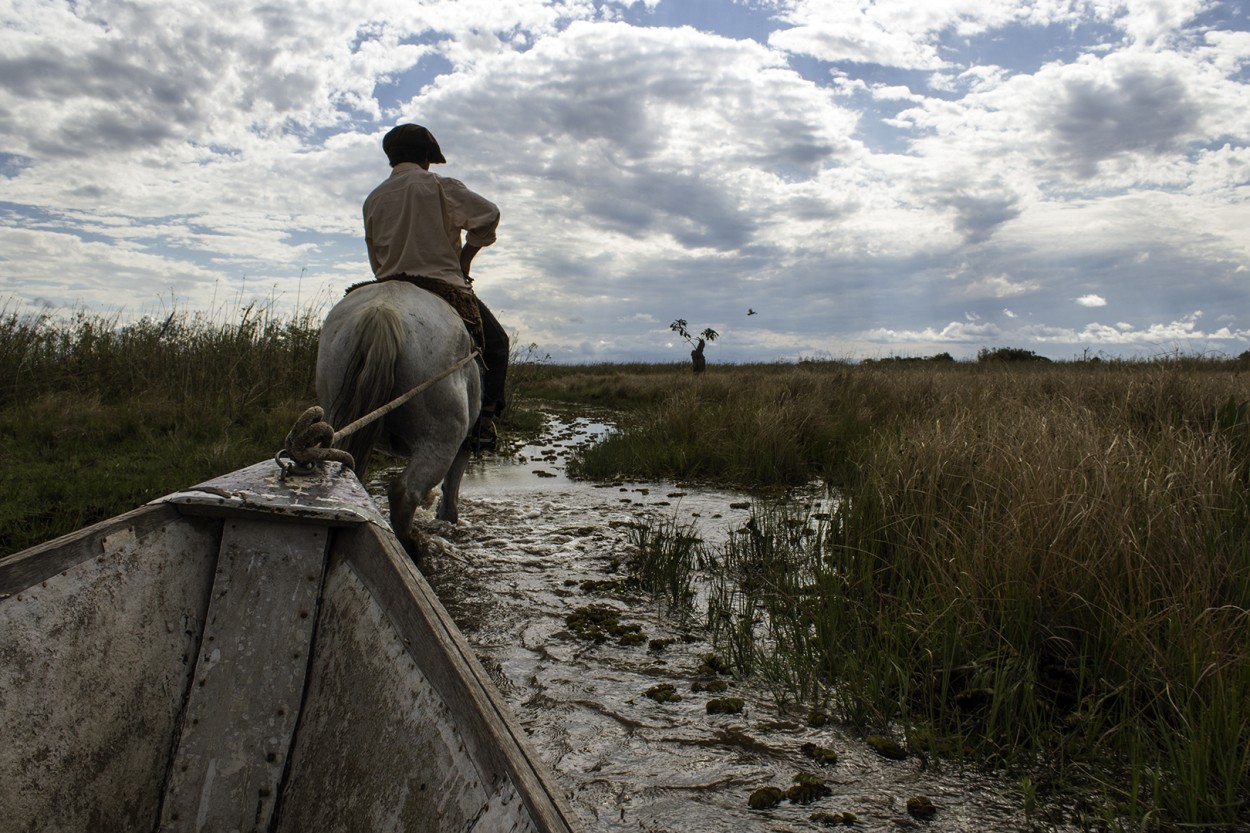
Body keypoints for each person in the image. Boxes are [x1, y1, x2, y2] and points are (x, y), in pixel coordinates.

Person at [362, 123, 509, 451]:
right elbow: (488, 214)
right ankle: (484, 423)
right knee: (497, 344)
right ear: (427, 158)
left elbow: (375, 254)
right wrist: (466, 259)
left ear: (391, 158)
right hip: (440, 284)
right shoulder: (440, 187)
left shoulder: (373, 199)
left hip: (386, 284)